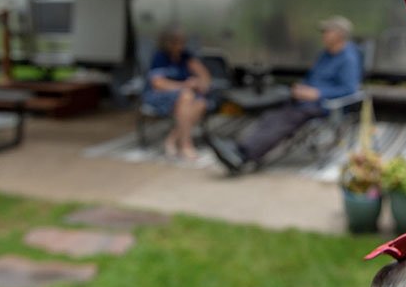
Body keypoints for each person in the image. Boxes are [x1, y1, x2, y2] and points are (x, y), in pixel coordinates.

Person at [209, 16, 361, 173]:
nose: (323, 34)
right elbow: (312, 77)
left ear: (340, 35)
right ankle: (241, 147)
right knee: (272, 112)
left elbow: (350, 89)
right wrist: (302, 88)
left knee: (286, 119)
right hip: (304, 98)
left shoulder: (348, 59)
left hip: (324, 105)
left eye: (327, 31)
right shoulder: (325, 54)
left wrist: (317, 93)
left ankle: (245, 155)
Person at [142, 27, 212, 160]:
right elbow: (158, 84)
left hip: (184, 95)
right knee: (186, 96)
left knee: (201, 102)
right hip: (159, 95)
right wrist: (184, 85)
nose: (180, 45)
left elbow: (204, 75)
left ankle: (171, 139)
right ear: (168, 43)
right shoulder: (160, 57)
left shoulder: (186, 56)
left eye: (181, 42)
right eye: (176, 42)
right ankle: (186, 145)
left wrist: (199, 82)